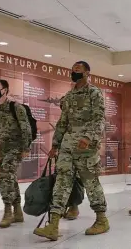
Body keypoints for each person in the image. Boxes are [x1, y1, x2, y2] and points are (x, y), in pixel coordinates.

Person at [33, 61, 109, 241]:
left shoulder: (94, 93)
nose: (74, 73)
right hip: (67, 147)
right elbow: (63, 123)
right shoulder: (68, 96)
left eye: (78, 70)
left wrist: (89, 138)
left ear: (87, 73)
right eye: (73, 70)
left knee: (91, 183)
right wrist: (55, 145)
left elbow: (99, 119)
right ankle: (53, 225)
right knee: (62, 182)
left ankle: (102, 219)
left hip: (86, 148)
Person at [0, 79, 32, 228]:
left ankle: (8, 211)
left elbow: (26, 129)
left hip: (16, 148)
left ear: (5, 90)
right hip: (3, 150)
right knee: (10, 178)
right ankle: (18, 211)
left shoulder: (16, 107)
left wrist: (26, 148)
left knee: (4, 176)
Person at [57, 95, 85, 220]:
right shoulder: (62, 120)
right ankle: (63, 206)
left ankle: (74, 206)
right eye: (62, 106)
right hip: (64, 153)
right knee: (62, 179)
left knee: (76, 180)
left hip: (80, 154)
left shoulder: (82, 120)